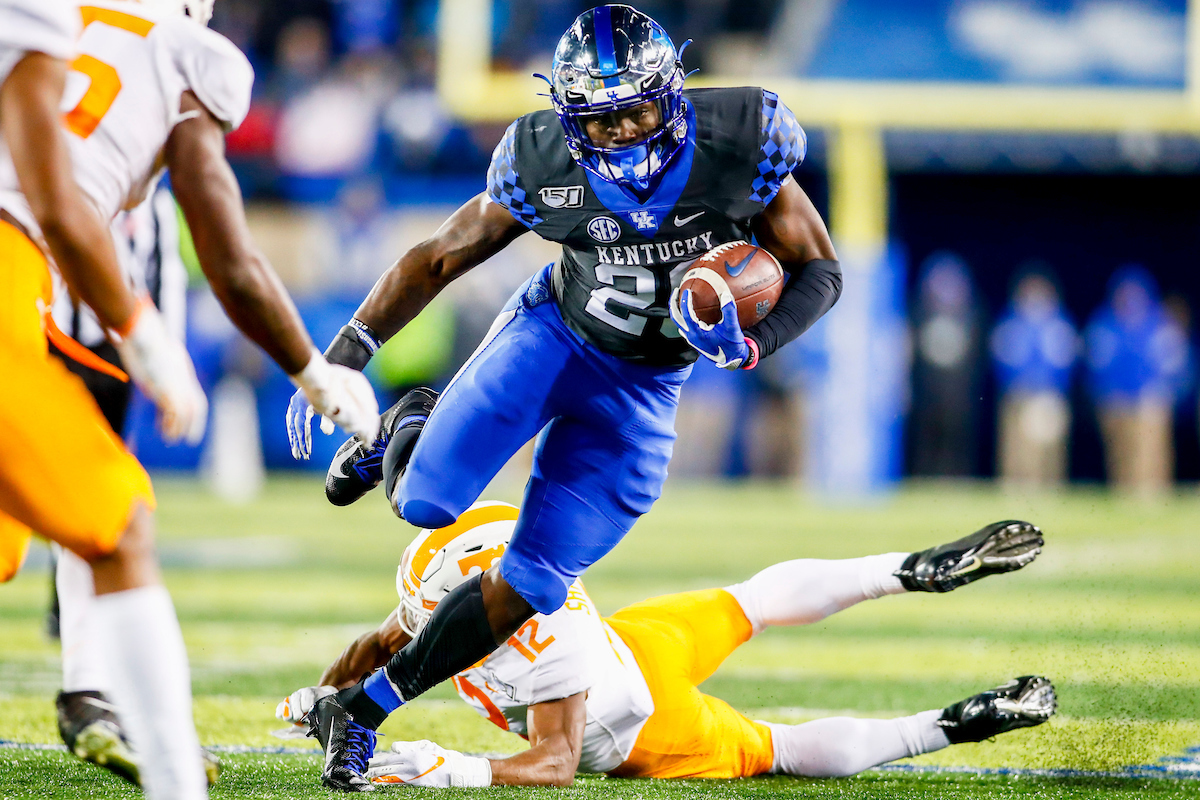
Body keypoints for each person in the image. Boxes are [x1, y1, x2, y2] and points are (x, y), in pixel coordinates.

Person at [285, 6, 844, 789]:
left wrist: (758, 342)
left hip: (646, 385)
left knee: (533, 582)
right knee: (424, 503)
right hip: (554, 337)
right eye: (602, 120)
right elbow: (443, 255)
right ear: (570, 121)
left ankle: (364, 710)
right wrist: (347, 351)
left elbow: (820, 268)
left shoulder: (741, 139)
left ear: (673, 95)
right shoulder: (541, 158)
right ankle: (409, 423)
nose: (623, 132)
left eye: (637, 111)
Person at [1, 1, 382, 796]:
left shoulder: (49, 14)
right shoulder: (185, 54)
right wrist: (309, 372)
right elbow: (228, 259)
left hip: (31, 295)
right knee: (119, 523)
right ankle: (173, 782)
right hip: (17, 273)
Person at [277, 501, 1054, 787]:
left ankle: (944, 727)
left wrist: (454, 769)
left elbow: (555, 764)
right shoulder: (477, 578)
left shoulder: (547, 648)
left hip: (641, 723)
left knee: (777, 750)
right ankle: (905, 569)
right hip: (635, 638)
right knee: (751, 600)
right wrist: (326, 698)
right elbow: (380, 642)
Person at [1084, 265, 1188, 496]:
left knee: (1150, 451)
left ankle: (1152, 496)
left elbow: (1175, 364)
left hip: (1149, 400)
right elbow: (1095, 364)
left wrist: (1166, 392)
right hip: (1116, 400)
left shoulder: (1160, 324)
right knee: (1120, 452)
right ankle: (1122, 494)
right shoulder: (1104, 324)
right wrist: (1104, 393)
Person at [989, 267, 1078, 488]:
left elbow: (1068, 356)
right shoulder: (1011, 321)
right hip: (1018, 393)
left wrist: (1051, 385)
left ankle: (1051, 488)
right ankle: (1014, 486)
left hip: (1049, 394)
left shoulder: (1058, 322)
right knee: (1017, 448)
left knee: (1049, 448)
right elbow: (1000, 354)